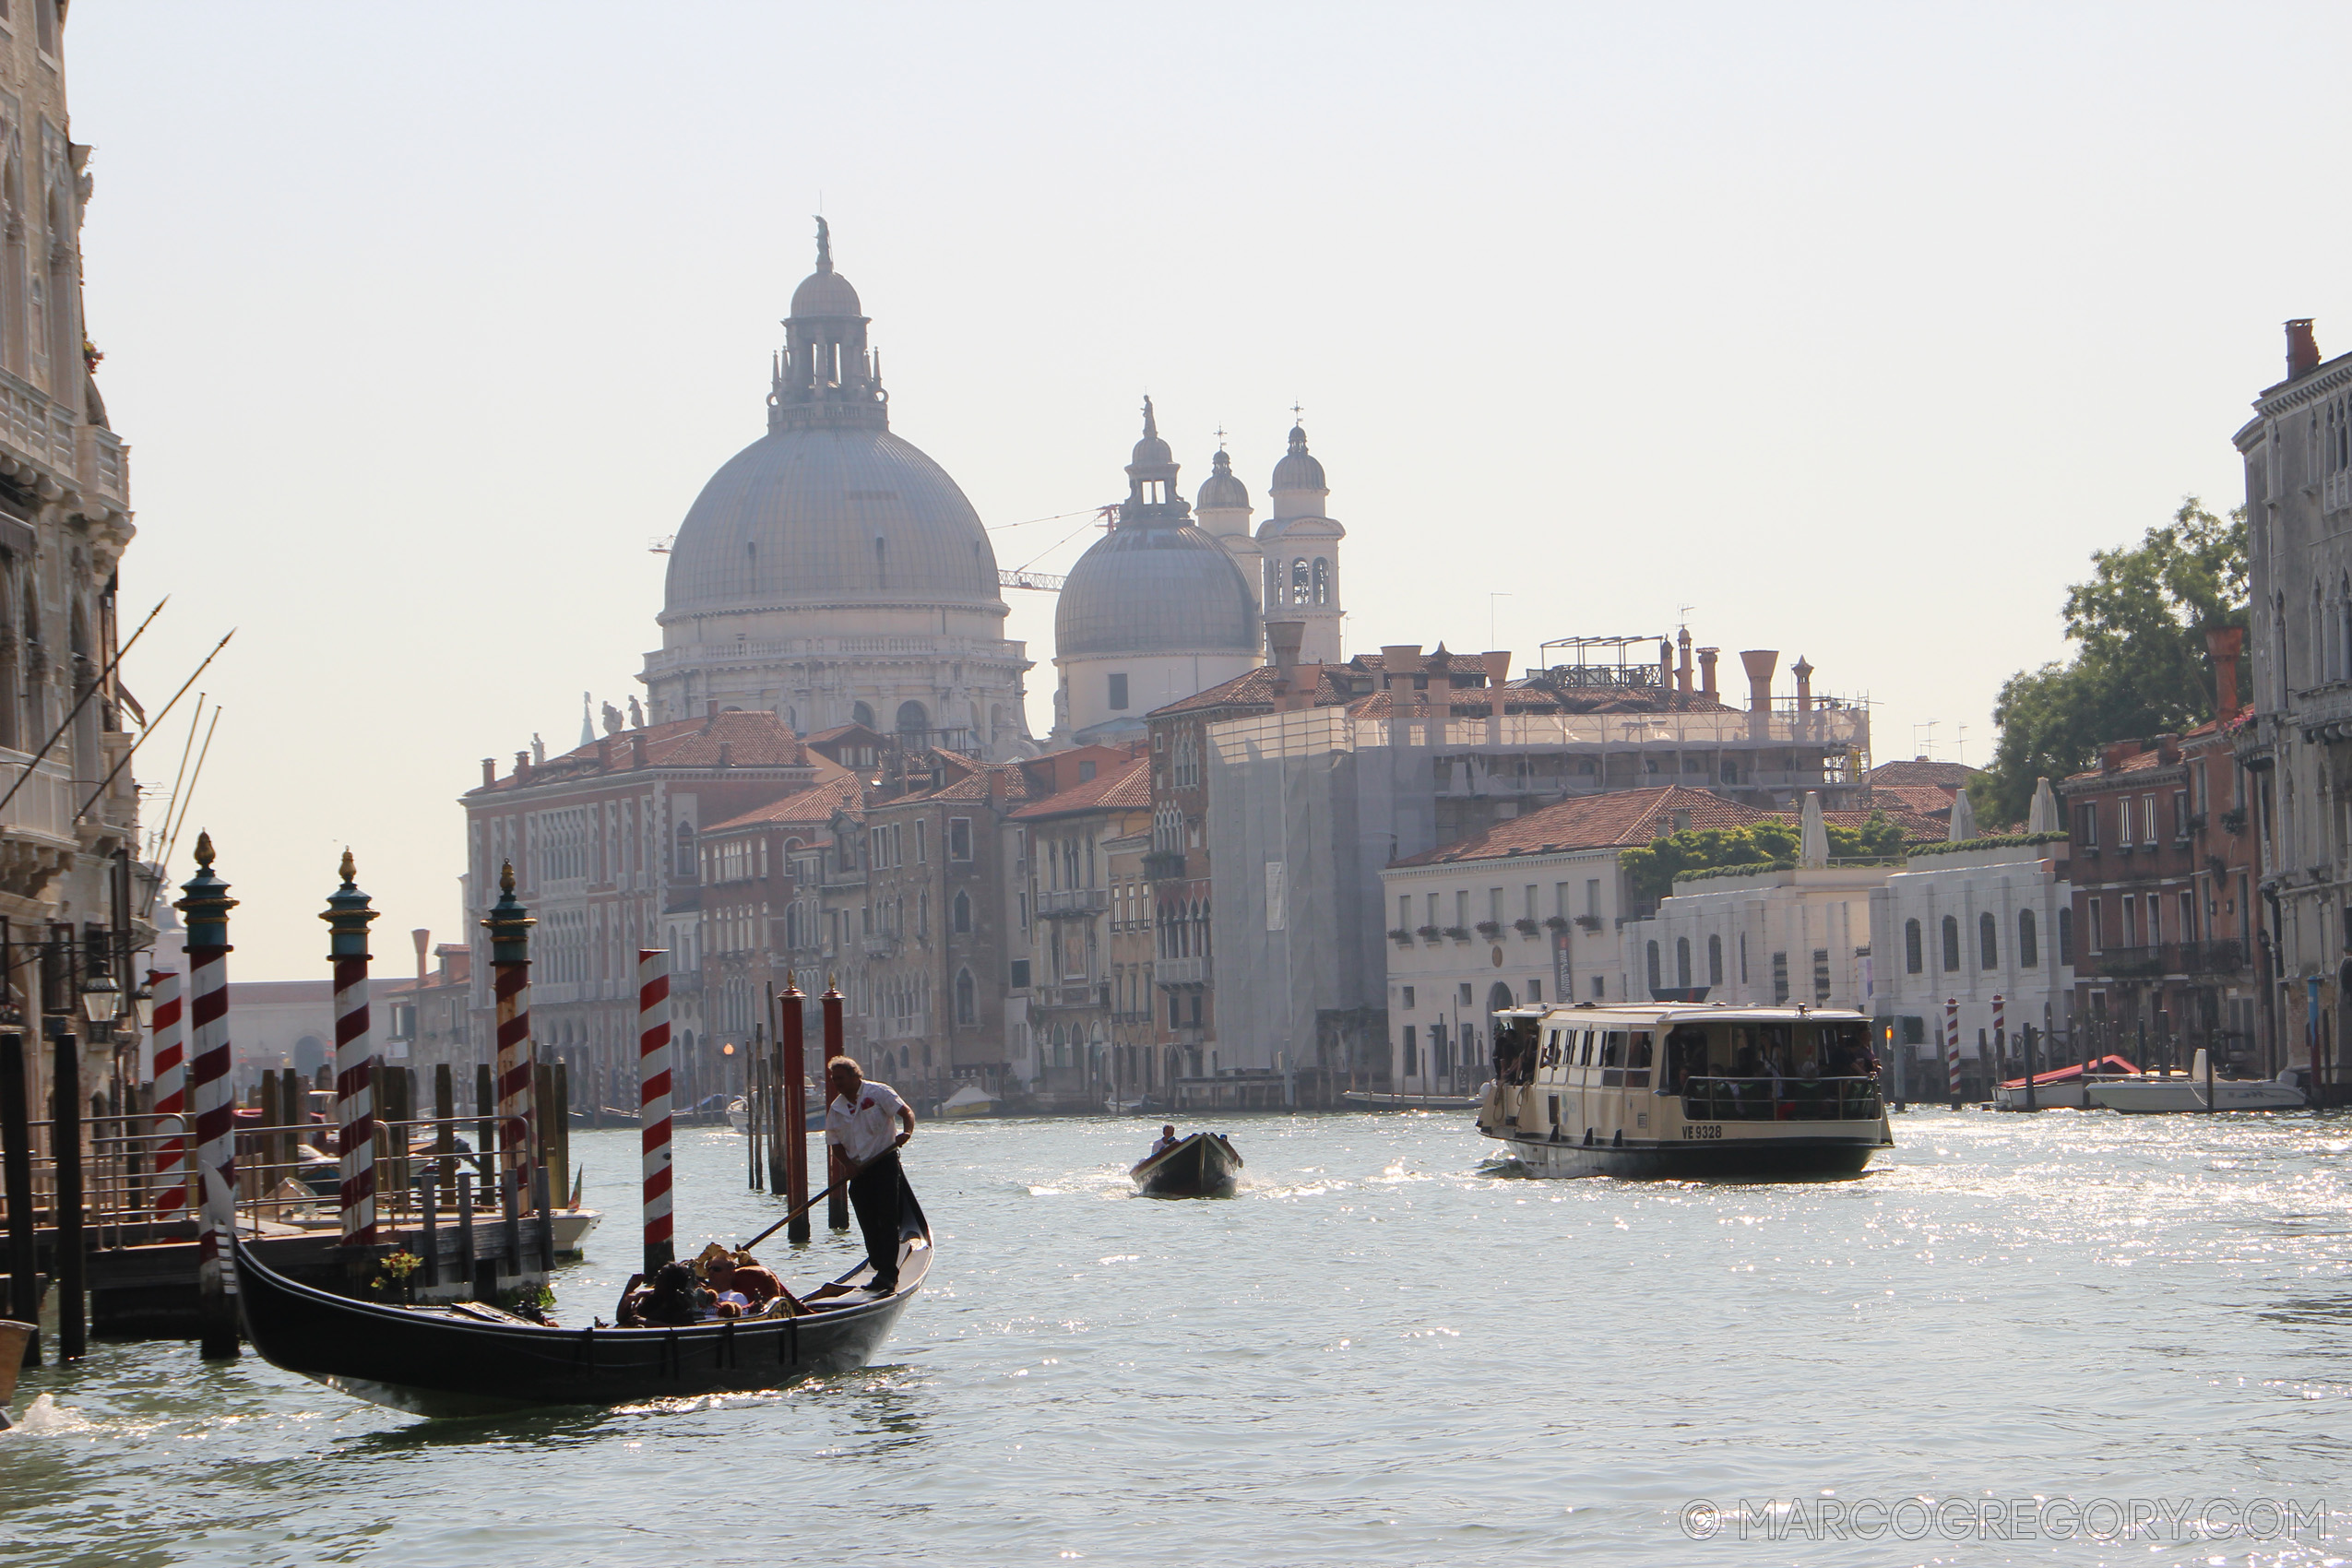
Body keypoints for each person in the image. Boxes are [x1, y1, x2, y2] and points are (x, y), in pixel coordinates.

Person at [826, 1054, 915, 1294]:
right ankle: (879, 1265)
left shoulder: (878, 1092)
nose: (837, 1084)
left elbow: (906, 1112)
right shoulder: (836, 1108)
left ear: (856, 1076)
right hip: (860, 1170)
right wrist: (848, 1165)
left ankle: (888, 1274)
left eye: (841, 1079)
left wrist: (906, 1133)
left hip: (884, 1162)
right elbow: (835, 1144)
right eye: (835, 1080)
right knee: (867, 1222)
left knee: (887, 1220)